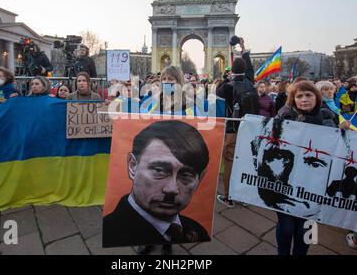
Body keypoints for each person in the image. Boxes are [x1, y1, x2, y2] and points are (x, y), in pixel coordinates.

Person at [102, 120, 211, 251]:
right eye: (159, 171)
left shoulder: (196, 230)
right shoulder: (111, 232)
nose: (172, 189)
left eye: (186, 175)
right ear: (132, 166)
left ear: (200, 178)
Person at [275, 81, 348, 255]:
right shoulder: (285, 116)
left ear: (317, 96)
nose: (304, 99)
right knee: (286, 227)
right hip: (288, 181)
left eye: (308, 95)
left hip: (316, 184)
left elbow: (336, 148)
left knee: (306, 228)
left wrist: (343, 133)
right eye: (299, 96)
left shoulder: (329, 117)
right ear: (293, 99)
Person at [216, 38, 258, 208]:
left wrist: (226, 77)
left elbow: (217, 91)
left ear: (231, 70)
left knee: (231, 162)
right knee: (248, 161)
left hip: (233, 129)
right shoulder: (251, 80)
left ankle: (229, 196)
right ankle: (246, 196)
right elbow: (248, 64)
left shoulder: (227, 86)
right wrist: (243, 47)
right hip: (251, 128)